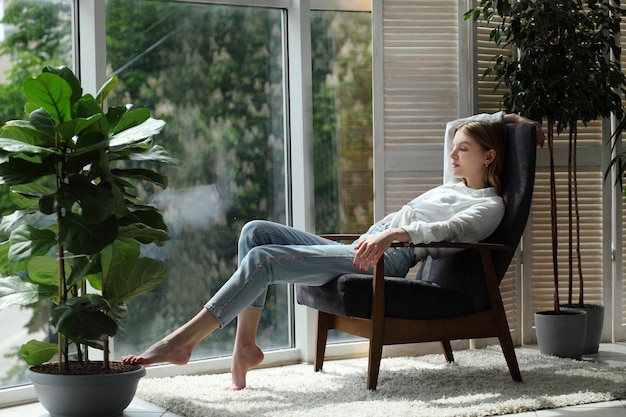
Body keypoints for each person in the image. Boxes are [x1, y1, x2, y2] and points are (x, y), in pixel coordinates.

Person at [122, 112, 544, 391]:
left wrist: (393, 234)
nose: (452, 154)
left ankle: (181, 341)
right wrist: (514, 120)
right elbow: (468, 123)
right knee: (255, 232)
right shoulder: (454, 185)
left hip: (389, 257)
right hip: (372, 239)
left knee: (263, 260)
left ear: (489, 156)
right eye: (454, 147)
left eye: (463, 149)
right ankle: (245, 348)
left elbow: (446, 230)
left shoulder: (489, 205)